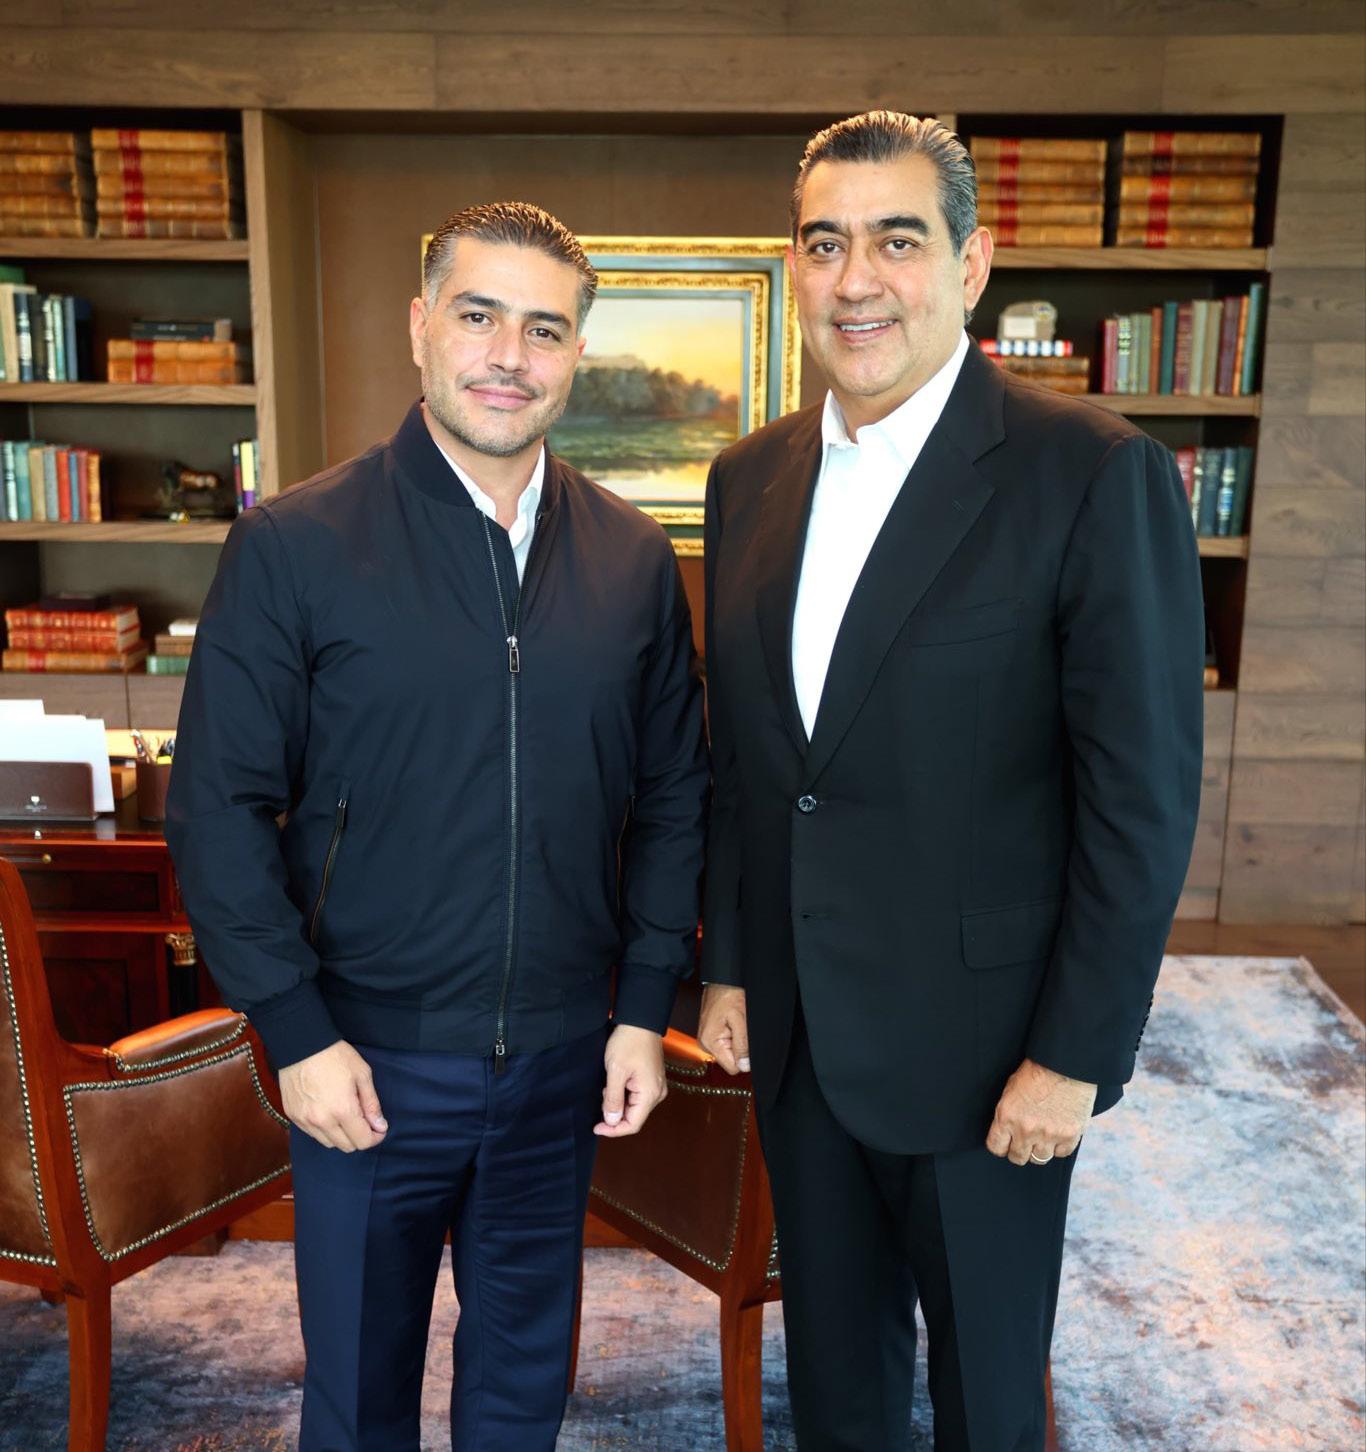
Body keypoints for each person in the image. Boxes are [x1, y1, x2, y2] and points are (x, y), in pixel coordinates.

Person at [698, 112, 1203, 1451]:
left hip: (988, 1057)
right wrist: (731, 963)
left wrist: (1073, 1056)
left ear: (970, 266)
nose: (856, 278)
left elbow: (1139, 806)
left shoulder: (1091, 473)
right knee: (837, 1395)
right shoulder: (747, 479)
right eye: (824, 244)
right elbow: (750, 760)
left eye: (897, 241)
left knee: (986, 1404)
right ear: (793, 269)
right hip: (802, 1041)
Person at [166, 201, 707, 1452]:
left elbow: (676, 793)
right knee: (359, 1398)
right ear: (421, 328)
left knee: (523, 1393)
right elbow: (218, 806)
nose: (509, 355)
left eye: (543, 329)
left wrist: (641, 1007)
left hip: (562, 1057)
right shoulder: (295, 544)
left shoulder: (632, 558)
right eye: (478, 316)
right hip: (365, 1060)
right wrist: (296, 1029)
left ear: (576, 354)